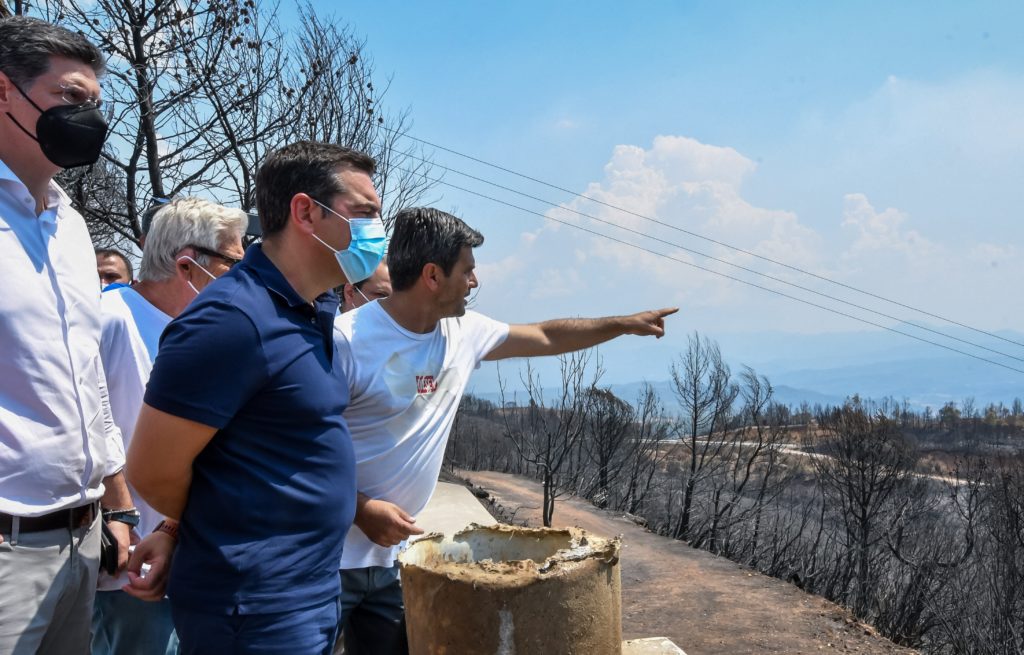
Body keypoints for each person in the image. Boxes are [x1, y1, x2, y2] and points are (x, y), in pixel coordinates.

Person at [333, 207, 677, 653]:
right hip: (326, 556)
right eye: (468, 271)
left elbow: (547, 336)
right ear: (432, 276)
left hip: (396, 559)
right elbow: (293, 449)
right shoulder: (345, 341)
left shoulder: (463, 333)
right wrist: (359, 508)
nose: (474, 283)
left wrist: (623, 324)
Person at [126, 141, 386, 655]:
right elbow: (153, 471)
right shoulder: (232, 320)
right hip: (255, 609)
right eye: (364, 214)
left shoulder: (310, 309)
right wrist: (212, 529)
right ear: (306, 212)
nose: (377, 232)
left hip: (304, 594)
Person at [0, 16, 134, 654]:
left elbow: (90, 380)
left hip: (85, 540)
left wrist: (119, 502)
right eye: (70, 99)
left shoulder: (72, 227)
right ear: (5, 92)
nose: (90, 118)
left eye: (96, 104)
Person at [92, 198, 246, 655]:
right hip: (120, 564)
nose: (242, 275)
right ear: (188, 265)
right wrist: (117, 520)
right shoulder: (108, 317)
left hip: (175, 552)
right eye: (234, 262)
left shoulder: (201, 330)